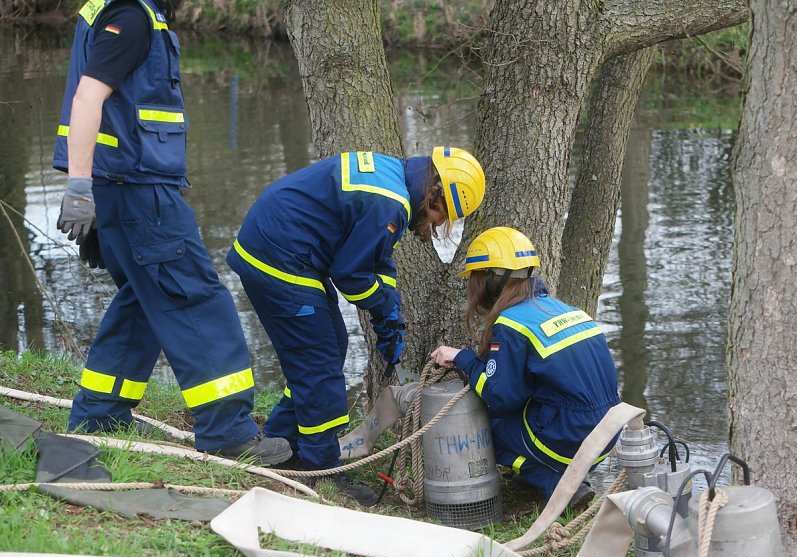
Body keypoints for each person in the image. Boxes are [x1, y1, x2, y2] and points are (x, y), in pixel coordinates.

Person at [52, 0, 292, 466]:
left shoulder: (113, 9)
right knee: (196, 301)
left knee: (143, 300)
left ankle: (100, 414)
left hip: (121, 186)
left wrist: (89, 186)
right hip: (139, 190)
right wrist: (79, 187)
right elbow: (88, 96)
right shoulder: (133, 17)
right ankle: (227, 431)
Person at [227, 147, 485, 503]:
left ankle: (280, 441)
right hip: (279, 258)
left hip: (281, 246)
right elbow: (350, 274)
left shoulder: (394, 180)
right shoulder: (390, 204)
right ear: (435, 192)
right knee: (319, 360)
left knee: (331, 347)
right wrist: (384, 313)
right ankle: (320, 468)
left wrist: (390, 308)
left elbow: (376, 256)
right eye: (441, 216)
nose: (437, 225)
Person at [430, 226, 621, 509]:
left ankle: (555, 483)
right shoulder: (567, 311)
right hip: (607, 435)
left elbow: (499, 397)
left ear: (492, 278)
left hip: (570, 437)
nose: (472, 286)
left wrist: (463, 359)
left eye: (475, 277)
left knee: (485, 424)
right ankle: (559, 475)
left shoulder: (512, 323)